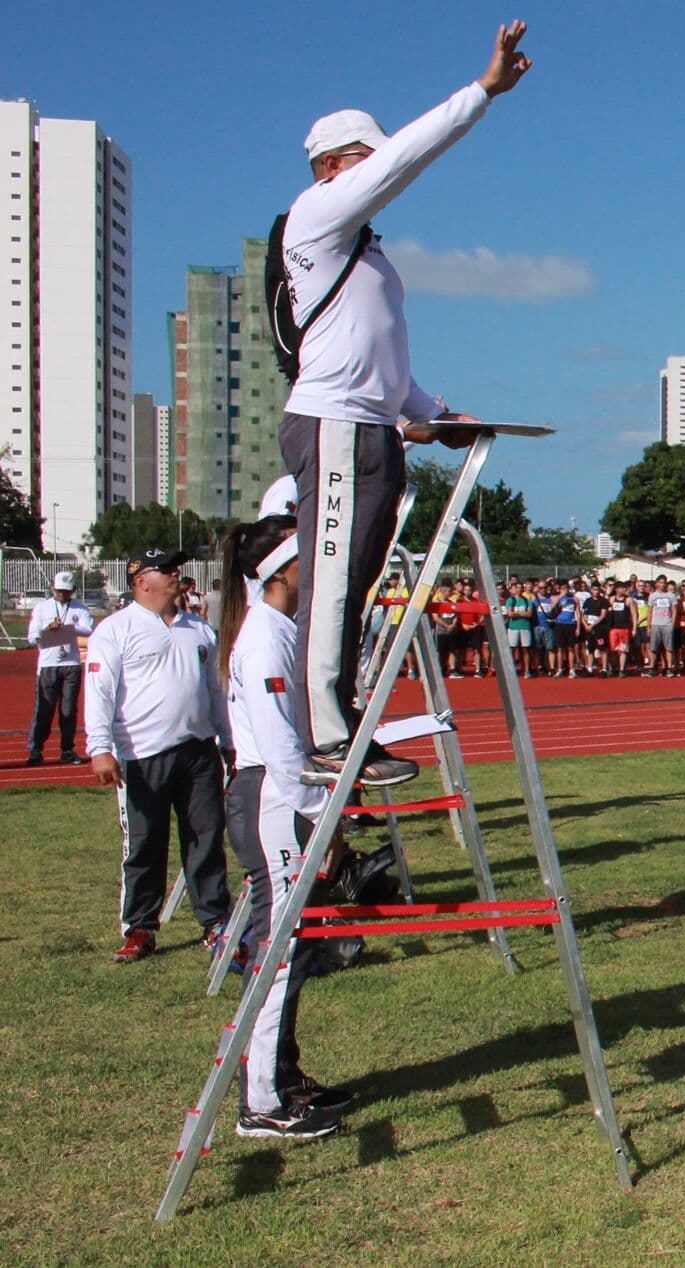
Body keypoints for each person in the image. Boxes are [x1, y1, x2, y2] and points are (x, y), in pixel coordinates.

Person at [281, 22, 530, 786]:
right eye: (364, 159)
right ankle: (323, 732)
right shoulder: (317, 214)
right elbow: (405, 158)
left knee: (354, 581)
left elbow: (384, 359)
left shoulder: (366, 250)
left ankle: (343, 723)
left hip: (372, 426)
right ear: (331, 166)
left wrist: (438, 412)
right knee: (329, 577)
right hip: (332, 422)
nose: (376, 172)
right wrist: (481, 94)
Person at [214, 515, 353, 1139]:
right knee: (280, 949)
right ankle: (263, 1101)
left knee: (291, 950)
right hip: (275, 799)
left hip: (279, 797)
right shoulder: (266, 639)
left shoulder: (281, 630)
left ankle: (281, 1076)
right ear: (285, 569)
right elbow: (280, 749)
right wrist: (322, 817)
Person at [84, 548, 235, 963]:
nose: (175, 575)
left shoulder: (198, 629)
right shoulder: (115, 630)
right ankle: (139, 927)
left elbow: (216, 690)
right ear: (140, 581)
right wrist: (100, 748)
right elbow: (100, 692)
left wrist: (228, 739)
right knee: (145, 843)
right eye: (165, 569)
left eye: (175, 568)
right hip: (142, 754)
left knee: (205, 837)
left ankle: (215, 920)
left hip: (199, 750)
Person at [26, 569, 94, 765]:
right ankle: (36, 750)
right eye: (58, 591)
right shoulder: (42, 608)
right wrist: (48, 629)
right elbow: (32, 637)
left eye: (66, 591)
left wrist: (66, 628)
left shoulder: (80, 609)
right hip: (48, 664)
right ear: (52, 589)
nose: (62, 594)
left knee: (68, 710)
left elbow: (89, 629)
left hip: (71, 663)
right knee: (43, 709)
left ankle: (67, 749)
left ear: (73, 590)